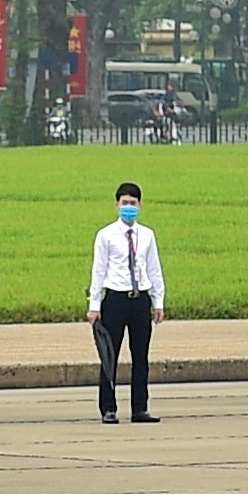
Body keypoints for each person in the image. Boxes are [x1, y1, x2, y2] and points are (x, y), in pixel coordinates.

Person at [88, 178, 165, 424]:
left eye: (133, 203)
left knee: (140, 356)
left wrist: (158, 300)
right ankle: (108, 409)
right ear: (117, 205)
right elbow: (98, 271)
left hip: (140, 299)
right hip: (115, 299)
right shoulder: (106, 235)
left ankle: (140, 408)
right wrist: (94, 305)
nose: (129, 207)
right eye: (124, 203)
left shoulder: (147, 235)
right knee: (110, 356)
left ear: (140, 205)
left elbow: (154, 269)